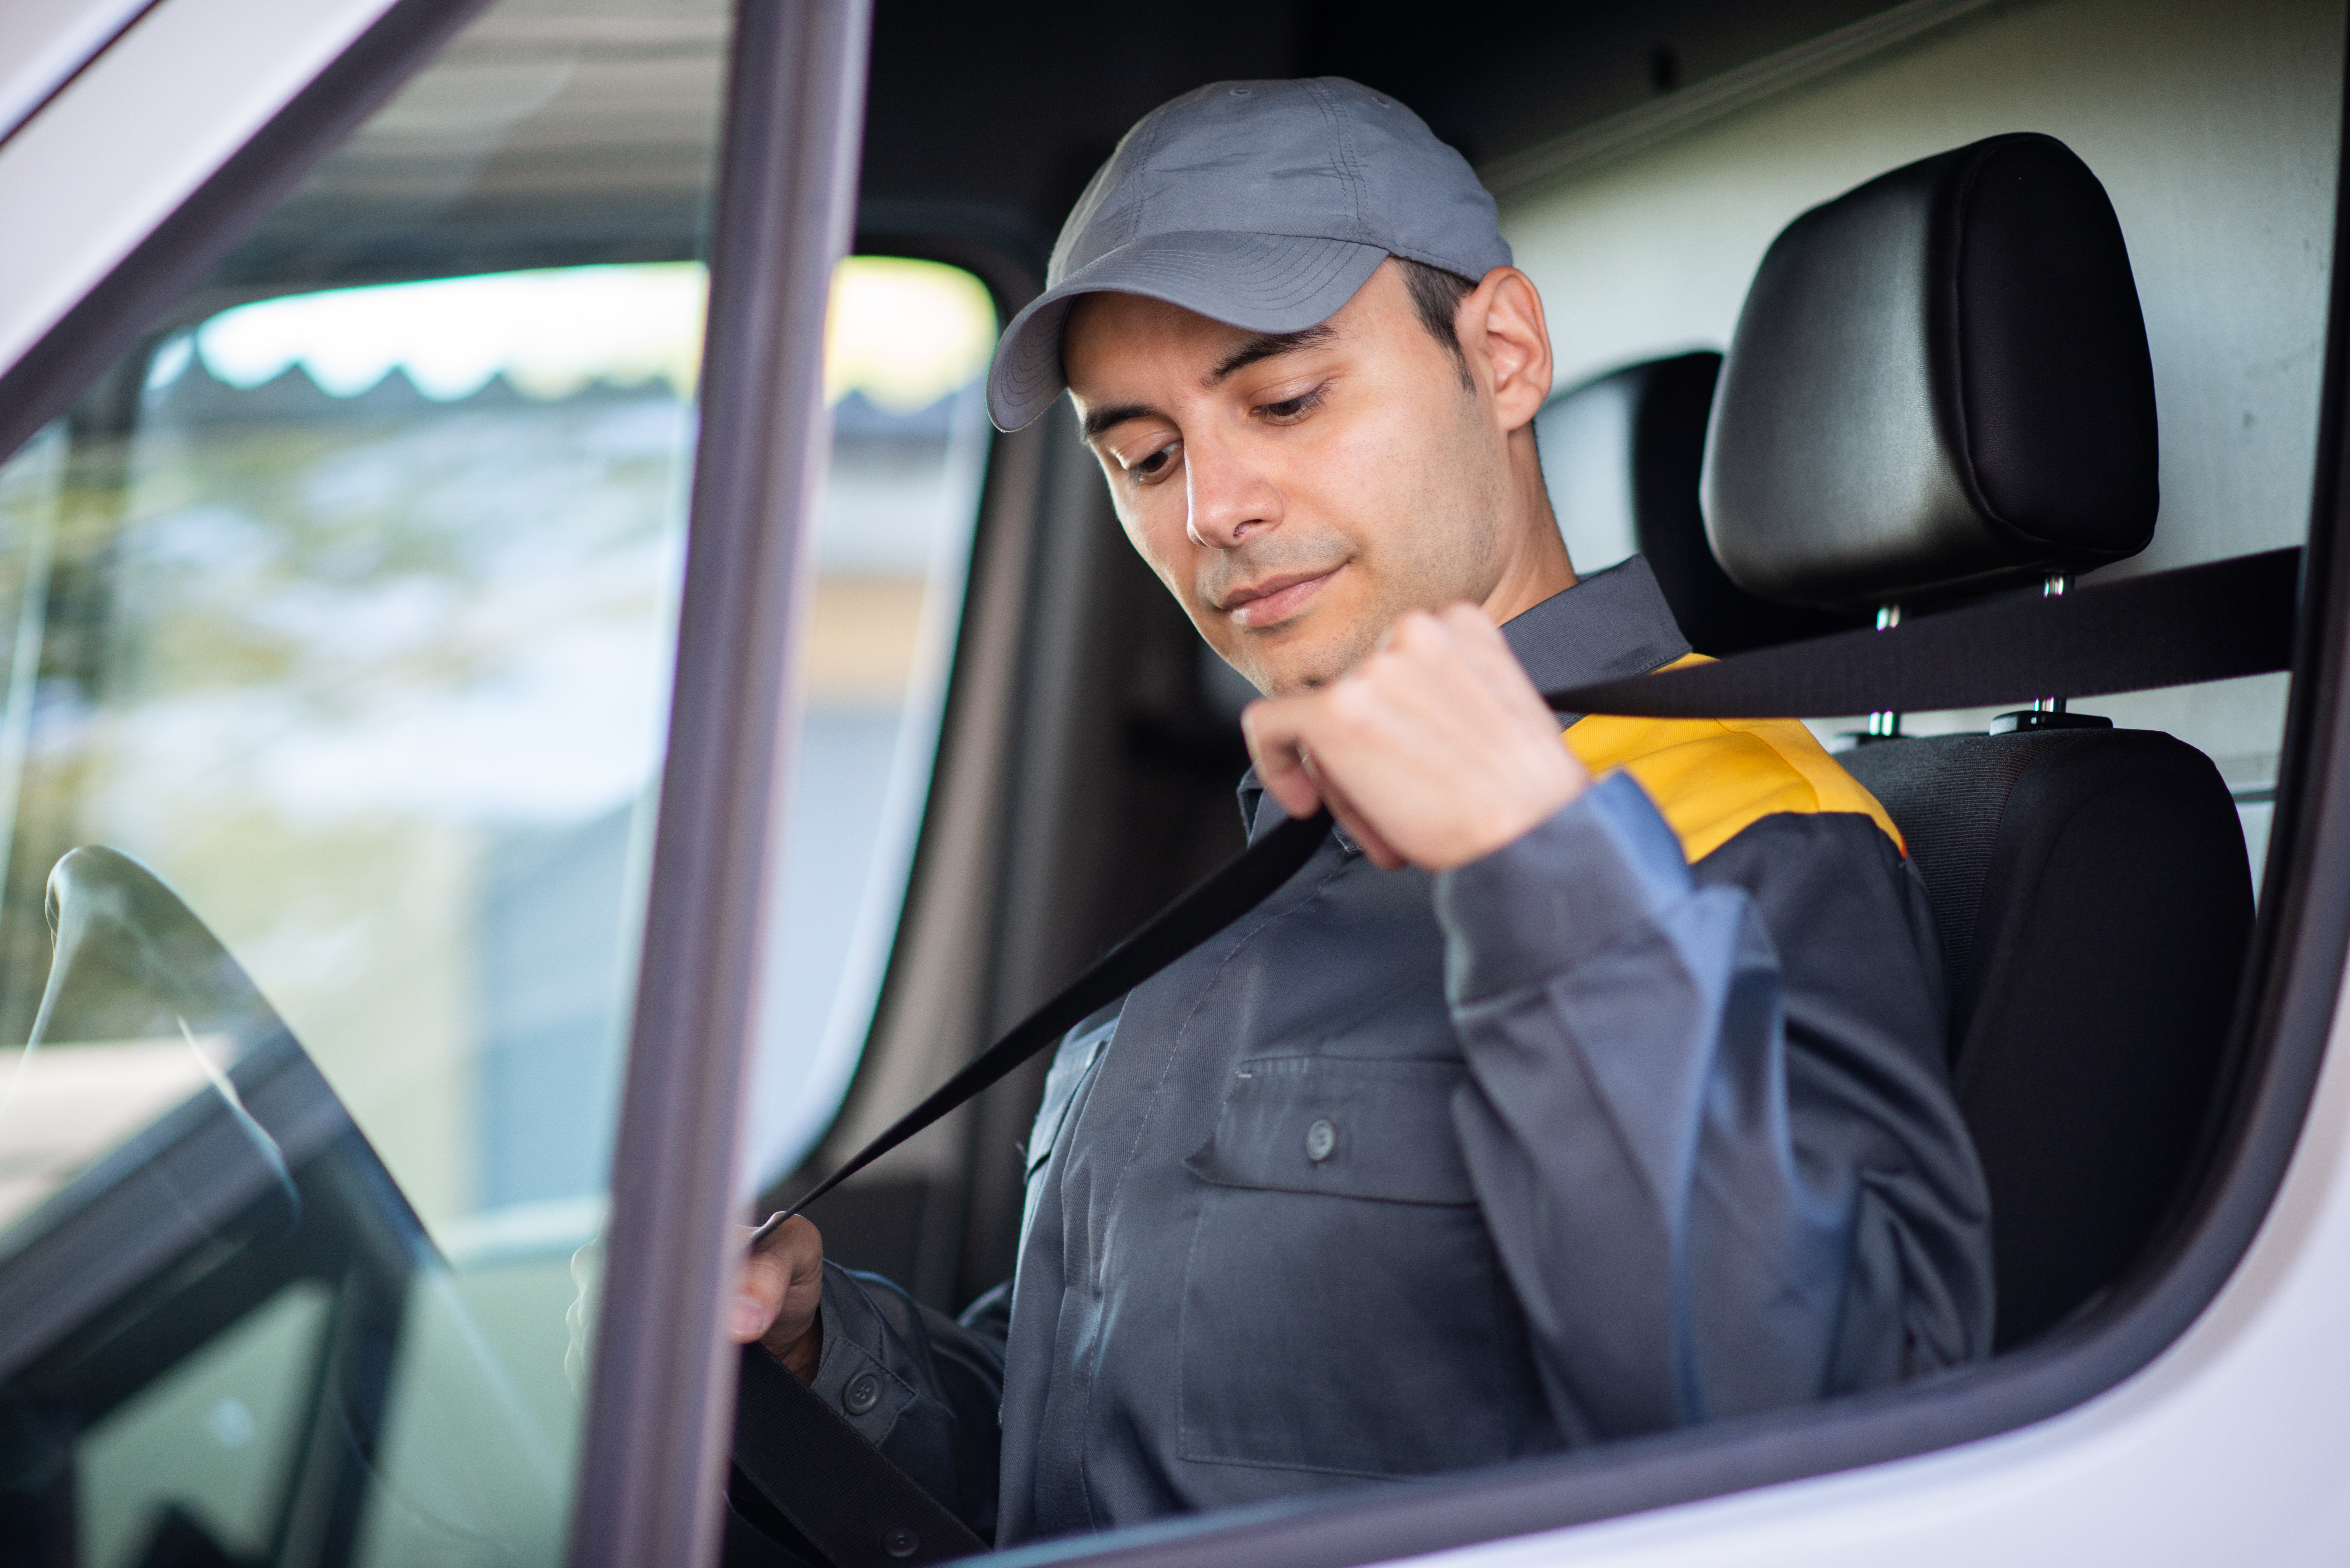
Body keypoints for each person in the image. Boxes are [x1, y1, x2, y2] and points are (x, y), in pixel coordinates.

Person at [728, 75, 1991, 1549]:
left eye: (1283, 399)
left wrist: (1540, 874)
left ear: (1502, 353)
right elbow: (1091, 1453)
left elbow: (1837, 1457)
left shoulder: (1743, 835)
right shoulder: (1267, 866)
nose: (1211, 507)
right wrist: (827, 1358)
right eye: (1142, 455)